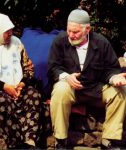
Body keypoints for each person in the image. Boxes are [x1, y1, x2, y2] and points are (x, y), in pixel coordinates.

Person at [47, 9, 126, 149]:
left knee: (121, 91)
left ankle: (109, 140)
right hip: (71, 90)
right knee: (59, 89)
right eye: (69, 30)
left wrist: (114, 78)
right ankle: (60, 140)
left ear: (87, 29)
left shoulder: (101, 43)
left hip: (95, 89)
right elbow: (53, 67)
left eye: (75, 32)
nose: (71, 35)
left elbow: (111, 69)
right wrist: (66, 77)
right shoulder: (60, 40)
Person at [0, 13, 42, 149]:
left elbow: (28, 67)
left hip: (19, 87)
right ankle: (16, 144)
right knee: (1, 100)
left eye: (11, 30)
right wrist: (4, 86)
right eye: (6, 32)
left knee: (33, 94)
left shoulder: (16, 43)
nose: (10, 34)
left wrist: (23, 83)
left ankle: (30, 141)